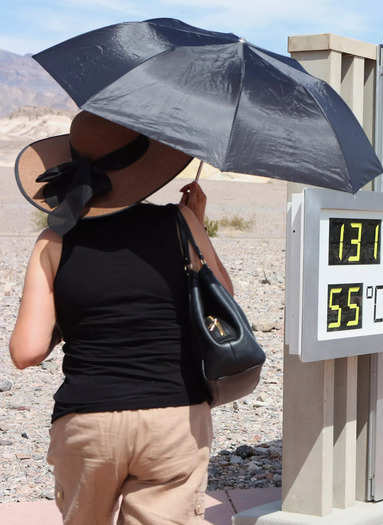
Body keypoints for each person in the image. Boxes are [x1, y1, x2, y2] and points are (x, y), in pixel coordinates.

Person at [9, 111, 233, 524]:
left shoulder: (54, 239)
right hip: (174, 417)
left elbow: (26, 352)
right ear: (142, 166)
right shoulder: (179, 222)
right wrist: (194, 227)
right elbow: (224, 299)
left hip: (87, 420)